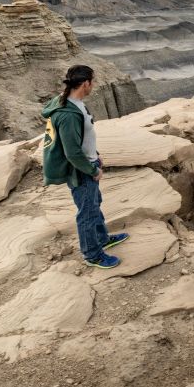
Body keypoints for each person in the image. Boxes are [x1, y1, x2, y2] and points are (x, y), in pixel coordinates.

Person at [41, 65, 128, 269]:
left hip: (89, 161)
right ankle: (92, 255)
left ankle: (102, 238)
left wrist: (95, 155)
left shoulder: (72, 102)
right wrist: (92, 169)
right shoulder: (68, 114)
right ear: (86, 83)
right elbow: (72, 152)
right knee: (87, 212)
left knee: (94, 203)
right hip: (81, 171)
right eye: (92, 81)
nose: (93, 86)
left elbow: (84, 138)